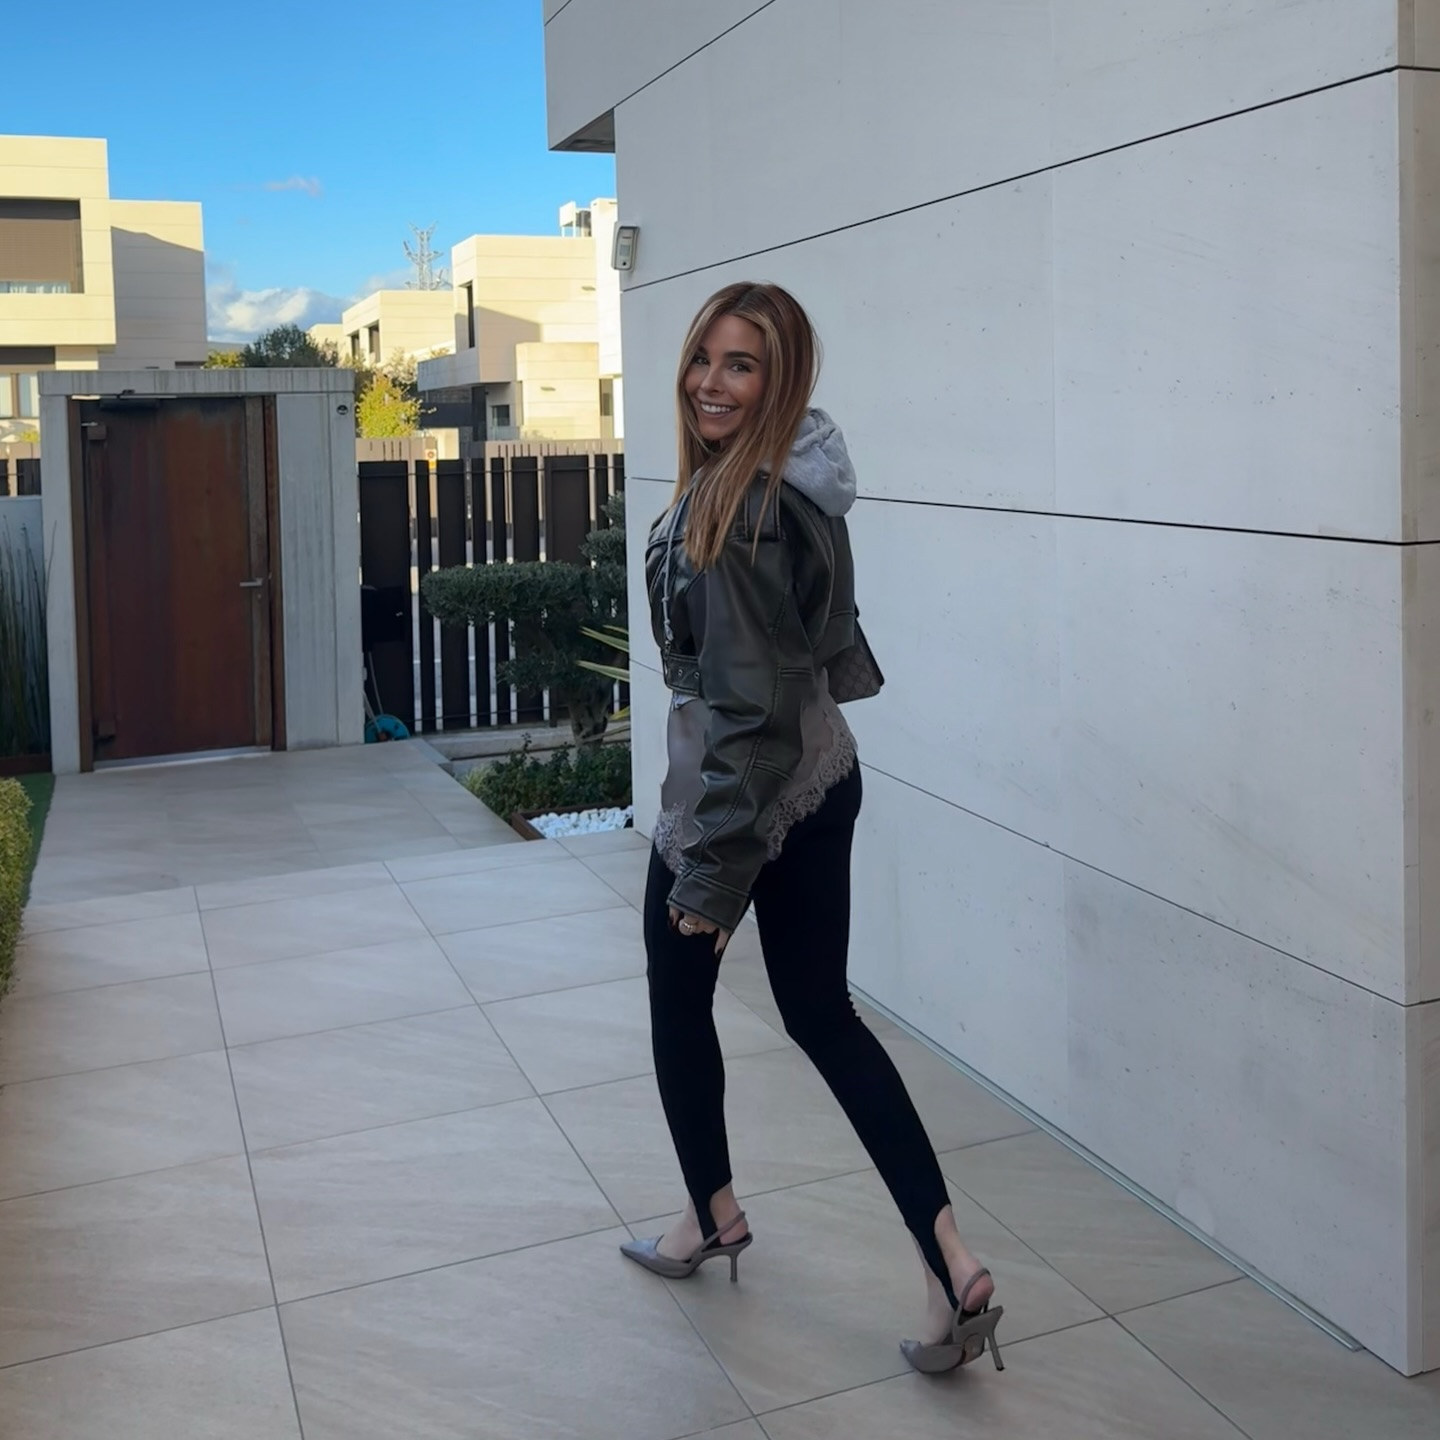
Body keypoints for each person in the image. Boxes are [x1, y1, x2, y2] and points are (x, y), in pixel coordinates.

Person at [619, 281, 1005, 1375]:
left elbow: (751, 710)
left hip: (743, 792)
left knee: (678, 993)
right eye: (704, 358)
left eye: (741, 365)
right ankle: (949, 1259)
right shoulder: (800, 481)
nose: (710, 382)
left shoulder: (741, 510)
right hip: (823, 773)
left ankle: (710, 1213)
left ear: (779, 380)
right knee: (824, 1017)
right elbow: (816, 653)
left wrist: (710, 877)